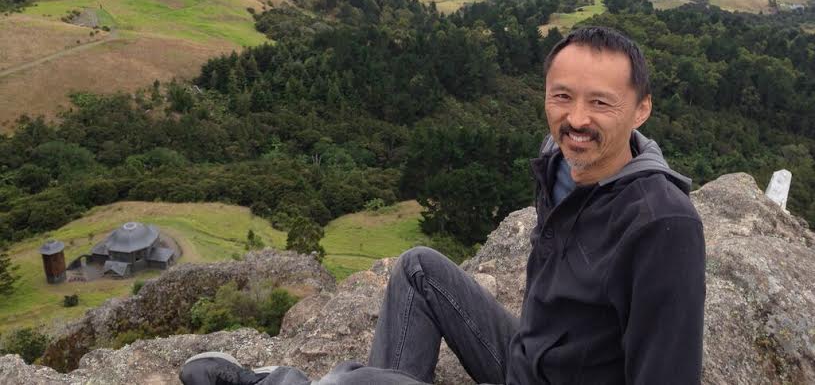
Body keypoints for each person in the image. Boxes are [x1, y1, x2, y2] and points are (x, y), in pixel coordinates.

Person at [180, 26, 706, 385]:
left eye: (601, 103)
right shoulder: (559, 162)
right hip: (525, 356)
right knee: (418, 269)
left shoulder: (662, 223)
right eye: (561, 96)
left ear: (641, 111)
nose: (575, 119)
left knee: (346, 378)